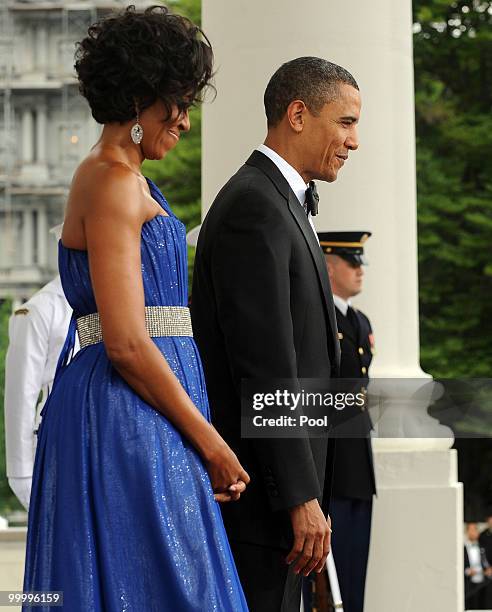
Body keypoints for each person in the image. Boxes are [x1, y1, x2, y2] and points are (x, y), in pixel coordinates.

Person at [23, 6, 249, 611]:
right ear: (144, 97)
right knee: (171, 586)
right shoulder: (114, 181)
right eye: (179, 104)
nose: (186, 122)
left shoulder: (123, 177)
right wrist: (212, 442)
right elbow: (125, 342)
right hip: (130, 411)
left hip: (140, 404)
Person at [191, 57, 361, 611]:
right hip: (259, 508)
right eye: (345, 122)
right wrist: (299, 497)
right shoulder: (255, 206)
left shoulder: (278, 201)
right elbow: (264, 368)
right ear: (296, 114)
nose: (353, 141)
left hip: (279, 504)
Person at [313, 231, 377, 612]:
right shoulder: (321, 318)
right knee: (326, 581)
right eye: (351, 263)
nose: (359, 271)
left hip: (358, 461)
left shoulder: (359, 320)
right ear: (328, 265)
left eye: (360, 263)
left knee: (355, 575)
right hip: (331, 461)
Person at [465, 522, 492, 610]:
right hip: (469, 586)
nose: (474, 532)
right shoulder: (462, 548)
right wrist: (468, 571)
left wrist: (488, 570)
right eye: (471, 529)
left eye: (476, 529)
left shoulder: (482, 547)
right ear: (467, 532)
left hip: (482, 584)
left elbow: (485, 563)